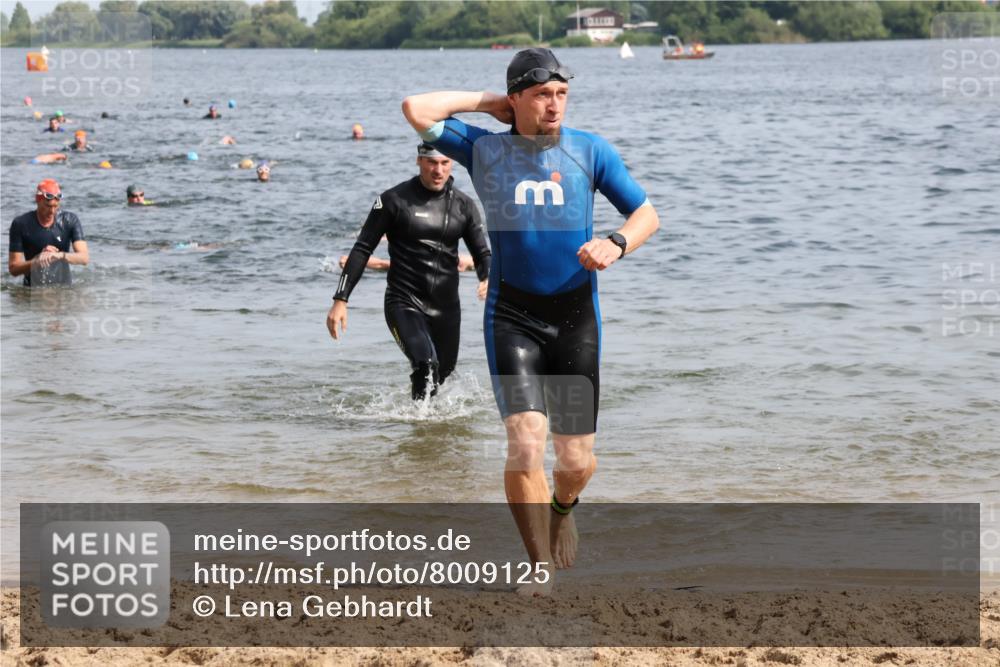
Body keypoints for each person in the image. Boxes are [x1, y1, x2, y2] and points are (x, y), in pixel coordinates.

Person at [402, 48, 660, 595]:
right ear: (518, 98)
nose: (554, 105)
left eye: (562, 94)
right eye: (542, 94)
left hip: (573, 318)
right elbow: (416, 108)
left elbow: (647, 215)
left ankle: (564, 508)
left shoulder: (589, 150)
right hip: (512, 316)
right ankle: (537, 567)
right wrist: (488, 103)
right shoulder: (485, 149)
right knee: (524, 443)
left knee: (575, 461)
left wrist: (616, 244)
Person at [326, 143, 491, 400]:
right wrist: (341, 299)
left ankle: (424, 434)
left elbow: (482, 253)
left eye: (444, 163)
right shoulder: (393, 200)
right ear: (419, 161)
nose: (438, 170)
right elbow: (362, 249)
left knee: (441, 376)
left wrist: (486, 277)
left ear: (452, 164)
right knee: (426, 364)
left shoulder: (464, 205)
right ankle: (419, 426)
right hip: (403, 302)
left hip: (447, 308)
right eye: (431, 163)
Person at [8, 179, 89, 287]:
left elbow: (84, 258)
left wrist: (57, 255)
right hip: (32, 289)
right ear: (38, 201)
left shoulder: (70, 220)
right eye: (48, 206)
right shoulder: (21, 224)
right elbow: (14, 269)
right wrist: (36, 261)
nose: (52, 211)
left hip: (63, 288)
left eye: (56, 206)